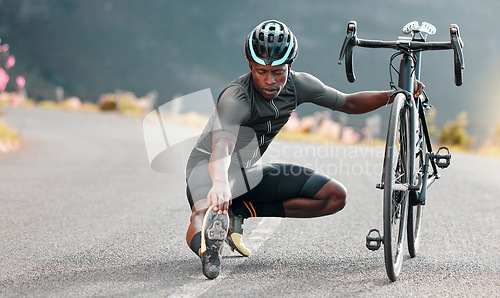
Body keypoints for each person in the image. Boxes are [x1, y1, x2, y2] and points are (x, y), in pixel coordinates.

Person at [184, 20, 423, 279]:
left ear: (290, 67)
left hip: (245, 174)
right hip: (208, 170)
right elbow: (223, 146)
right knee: (202, 211)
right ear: (250, 67)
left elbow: (348, 103)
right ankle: (210, 249)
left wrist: (394, 94)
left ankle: (240, 211)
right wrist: (219, 183)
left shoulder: (299, 85)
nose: (270, 80)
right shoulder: (236, 98)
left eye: (278, 72)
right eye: (261, 71)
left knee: (334, 196)